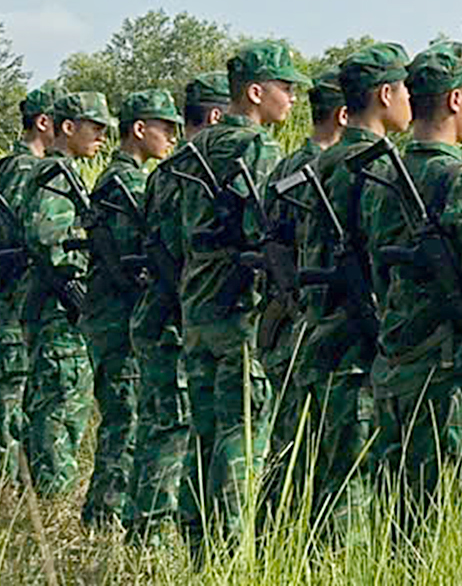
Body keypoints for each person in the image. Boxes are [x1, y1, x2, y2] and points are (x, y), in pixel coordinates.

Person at [364, 40, 462, 529]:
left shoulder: (380, 178)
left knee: (400, 526)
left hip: (394, 373)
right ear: (453, 100)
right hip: (452, 386)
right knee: (450, 532)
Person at [180, 42, 308, 549]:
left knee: (205, 430)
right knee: (244, 429)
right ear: (256, 93)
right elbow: (267, 228)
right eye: (286, 87)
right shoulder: (257, 151)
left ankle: (194, 544)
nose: (293, 98)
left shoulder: (192, 150)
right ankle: (231, 549)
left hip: (197, 302)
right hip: (241, 310)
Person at [289, 42, 409, 540]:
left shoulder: (319, 163)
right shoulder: (378, 167)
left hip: (320, 336)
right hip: (359, 345)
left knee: (324, 480)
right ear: (385, 94)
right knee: (353, 491)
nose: (410, 100)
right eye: (404, 89)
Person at [129, 72, 227, 547]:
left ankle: (159, 531)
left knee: (178, 429)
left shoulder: (165, 176)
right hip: (183, 319)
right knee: (177, 427)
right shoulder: (199, 170)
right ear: (215, 115)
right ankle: (153, 533)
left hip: (175, 316)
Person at [79, 88, 181, 530]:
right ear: (139, 129)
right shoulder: (128, 184)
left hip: (110, 317)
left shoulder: (115, 180)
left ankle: (102, 512)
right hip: (119, 320)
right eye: (165, 127)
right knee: (127, 419)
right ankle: (106, 517)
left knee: (123, 418)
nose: (172, 138)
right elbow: (131, 261)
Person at [258, 67, 344, 522]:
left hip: (283, 325)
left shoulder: (285, 166)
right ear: (344, 115)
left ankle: (272, 528)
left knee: (286, 439)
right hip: (309, 322)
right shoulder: (332, 170)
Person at [23, 91, 113, 497]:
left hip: (59, 306)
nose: (102, 138)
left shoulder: (63, 172)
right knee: (62, 405)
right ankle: (52, 496)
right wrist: (75, 289)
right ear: (68, 127)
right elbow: (47, 239)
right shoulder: (56, 175)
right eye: (96, 128)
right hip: (60, 309)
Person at [0, 83, 61, 481]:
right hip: (14, 295)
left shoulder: (10, 166)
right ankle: (6, 476)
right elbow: (23, 236)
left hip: (12, 295)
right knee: (12, 383)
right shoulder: (23, 169)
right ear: (44, 122)